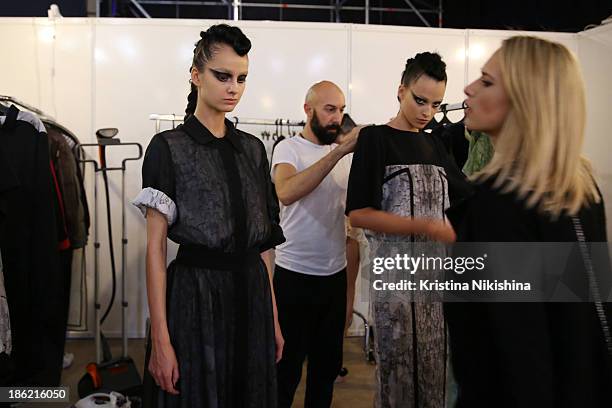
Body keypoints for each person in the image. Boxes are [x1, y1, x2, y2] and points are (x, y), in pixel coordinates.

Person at [444, 35, 612, 407]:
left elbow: (515, 351)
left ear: (525, 100)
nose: (469, 88)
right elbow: (572, 325)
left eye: (487, 81)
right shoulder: (581, 192)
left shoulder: (498, 206)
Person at [132, 24, 285, 407]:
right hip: (195, 301)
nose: (233, 87)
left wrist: (274, 319)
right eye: (223, 76)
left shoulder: (252, 150)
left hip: (252, 298)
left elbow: (265, 247)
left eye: (241, 78)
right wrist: (161, 342)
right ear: (196, 75)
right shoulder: (168, 148)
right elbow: (155, 251)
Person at [346, 52, 470, 407]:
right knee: (398, 375)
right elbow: (358, 213)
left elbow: (466, 196)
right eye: (419, 100)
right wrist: (422, 225)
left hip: (434, 281)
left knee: (434, 371)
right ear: (400, 91)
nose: (427, 111)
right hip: (396, 281)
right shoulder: (375, 139)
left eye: (435, 104)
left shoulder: (435, 143)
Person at [271, 80, 361, 408]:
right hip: (293, 277)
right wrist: (339, 150)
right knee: (285, 373)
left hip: (333, 281)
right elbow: (286, 191)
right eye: (329, 109)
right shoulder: (288, 149)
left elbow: (353, 227)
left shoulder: (347, 157)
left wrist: (349, 293)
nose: (337, 117)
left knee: (324, 378)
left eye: (340, 110)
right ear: (308, 110)